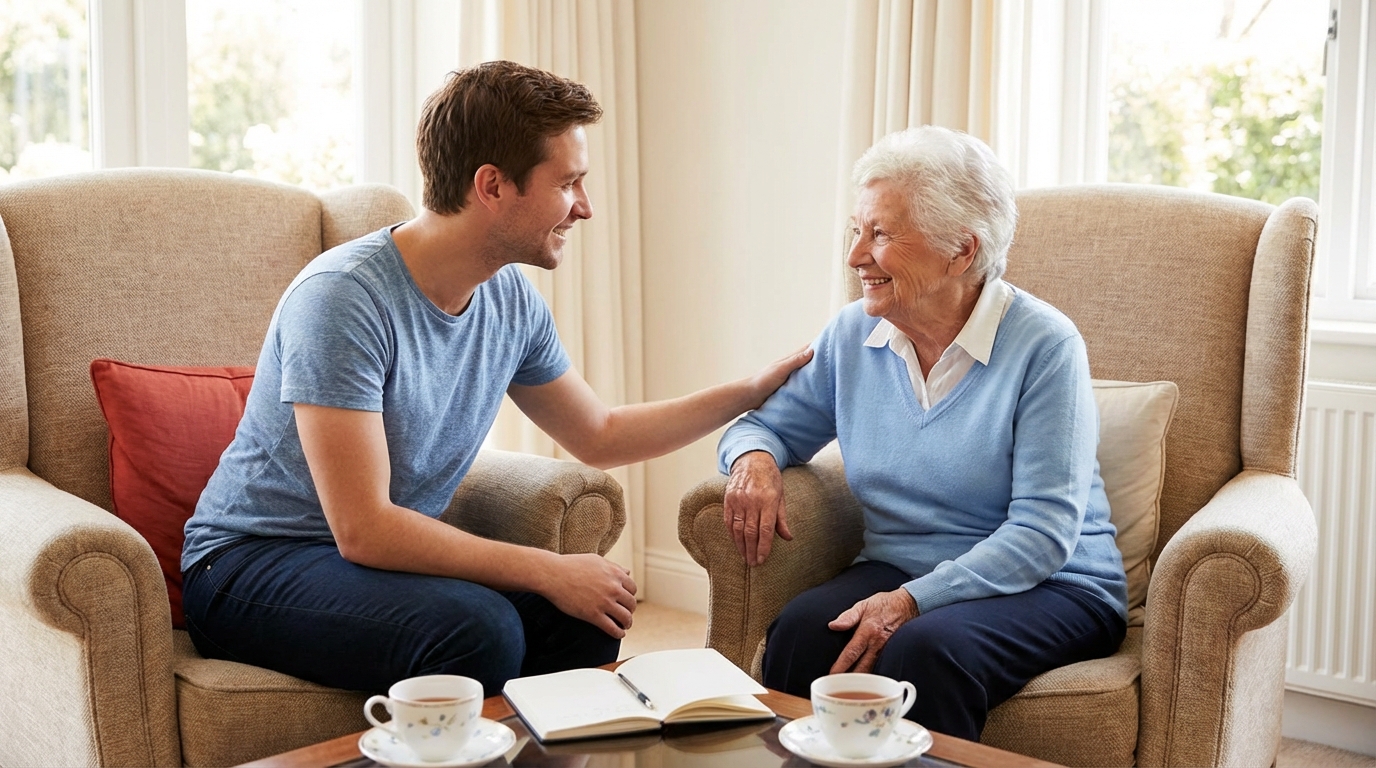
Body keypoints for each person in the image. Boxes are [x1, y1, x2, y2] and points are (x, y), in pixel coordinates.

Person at [179, 61, 810, 696]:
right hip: (250, 564)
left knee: (586, 621)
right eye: (568, 183)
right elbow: (364, 527)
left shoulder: (509, 301)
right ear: (492, 185)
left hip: (365, 563)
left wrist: (748, 391)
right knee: (480, 631)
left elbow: (601, 433)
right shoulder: (343, 299)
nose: (584, 208)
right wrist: (548, 568)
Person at [717, 126, 1128, 741]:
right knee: (800, 635)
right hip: (899, 566)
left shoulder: (1046, 345)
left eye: (880, 234)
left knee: (926, 652)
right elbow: (761, 427)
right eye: (856, 230)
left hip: (1057, 585)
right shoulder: (853, 335)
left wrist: (911, 602)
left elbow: (1044, 535)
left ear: (961, 251)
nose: (856, 255)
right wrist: (754, 460)